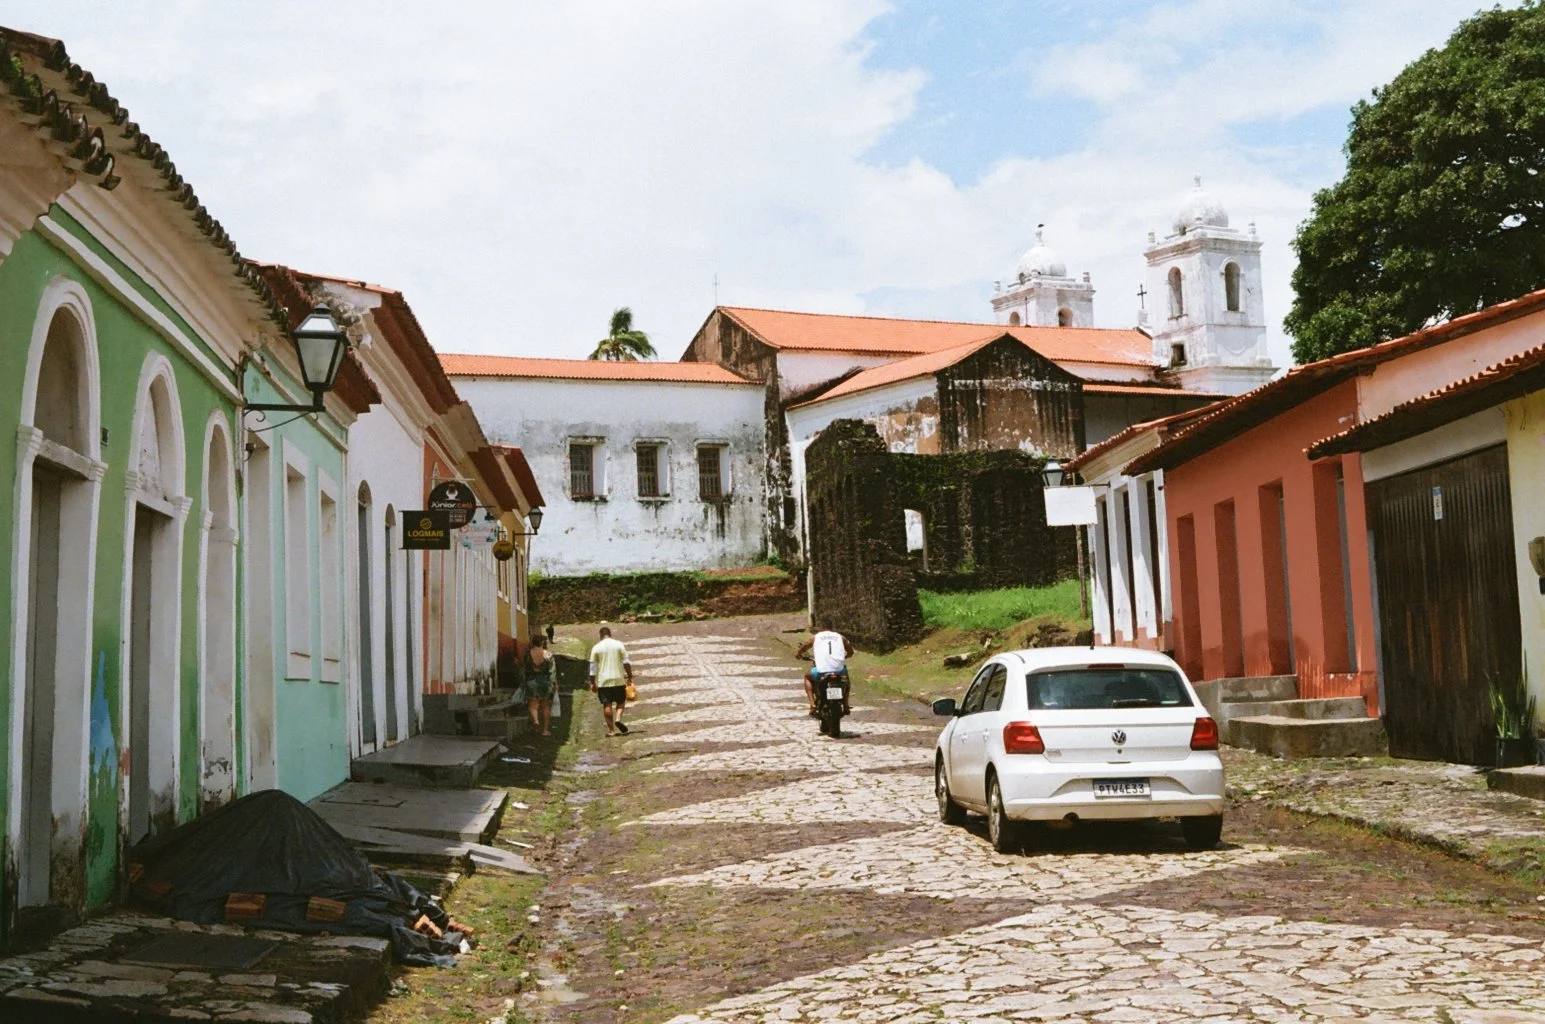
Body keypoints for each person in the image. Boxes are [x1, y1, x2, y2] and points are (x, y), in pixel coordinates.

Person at [796, 624, 853, 717]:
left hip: (821, 671)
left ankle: (812, 704)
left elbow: (805, 646)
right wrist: (845, 656)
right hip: (839, 670)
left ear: (820, 628)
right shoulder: (840, 637)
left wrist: (798, 654)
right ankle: (846, 704)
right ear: (833, 628)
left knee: (807, 677)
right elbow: (850, 651)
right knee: (846, 681)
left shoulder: (815, 637)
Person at [588, 625, 634, 737]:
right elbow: (626, 662)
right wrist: (630, 676)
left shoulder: (596, 648)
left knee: (606, 704)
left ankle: (612, 730)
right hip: (618, 678)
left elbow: (593, 668)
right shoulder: (618, 644)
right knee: (621, 702)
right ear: (610, 634)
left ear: (600, 635)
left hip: (603, 680)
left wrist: (593, 683)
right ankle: (618, 718)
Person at [525, 636, 554, 737]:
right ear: (541, 643)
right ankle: (545, 730)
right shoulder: (548, 654)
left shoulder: (528, 654)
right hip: (545, 681)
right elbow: (552, 671)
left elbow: (523, 668)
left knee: (533, 706)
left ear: (532, 643)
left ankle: (536, 720)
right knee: (545, 706)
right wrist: (554, 683)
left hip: (532, 681)